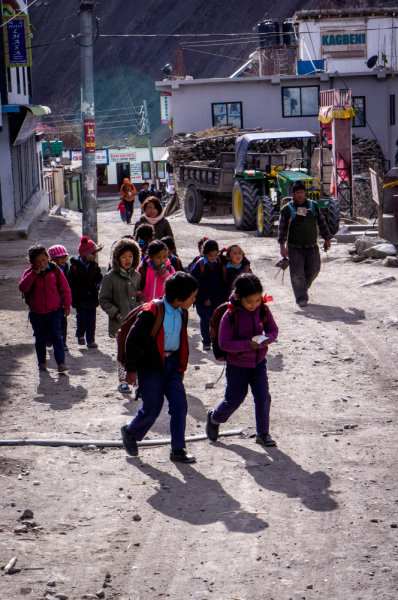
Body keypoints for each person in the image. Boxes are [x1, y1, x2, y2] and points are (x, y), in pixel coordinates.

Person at [120, 272, 199, 463]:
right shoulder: (152, 311)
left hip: (171, 366)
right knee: (153, 407)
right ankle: (131, 432)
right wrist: (131, 370)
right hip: (151, 366)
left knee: (180, 405)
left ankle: (178, 449)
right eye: (192, 298)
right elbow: (132, 340)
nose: (194, 301)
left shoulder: (183, 312)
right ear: (179, 299)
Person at [206, 273, 279, 447]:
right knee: (235, 399)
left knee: (263, 397)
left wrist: (267, 338)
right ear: (238, 297)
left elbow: (273, 330)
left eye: (257, 300)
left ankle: (263, 433)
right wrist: (248, 345)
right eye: (249, 301)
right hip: (237, 365)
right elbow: (224, 343)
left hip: (258, 363)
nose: (254, 305)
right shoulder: (230, 316)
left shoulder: (263, 310)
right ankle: (215, 418)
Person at [99, 238, 146, 393]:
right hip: (120, 322)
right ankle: (122, 381)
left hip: (135, 321)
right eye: (124, 256)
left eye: (131, 256)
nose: (128, 259)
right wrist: (117, 314)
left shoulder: (136, 276)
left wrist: (140, 297)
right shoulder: (110, 277)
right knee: (122, 352)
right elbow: (103, 300)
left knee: (137, 350)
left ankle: (136, 379)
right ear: (117, 257)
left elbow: (136, 292)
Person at [278, 179, 332, 307]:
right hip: (294, 248)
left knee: (314, 270)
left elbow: (322, 223)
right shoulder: (287, 209)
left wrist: (327, 238)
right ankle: (301, 297)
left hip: (312, 247)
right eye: (297, 193)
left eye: (302, 192)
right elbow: (282, 229)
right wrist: (282, 246)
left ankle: (302, 289)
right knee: (297, 274)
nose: (300, 195)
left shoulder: (313, 206)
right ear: (293, 194)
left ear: (305, 193)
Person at [19, 245, 71, 373]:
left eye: (43, 260)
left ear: (48, 258)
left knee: (57, 336)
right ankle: (42, 362)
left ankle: (61, 363)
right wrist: (33, 275)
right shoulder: (29, 274)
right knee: (40, 338)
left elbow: (65, 289)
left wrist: (67, 306)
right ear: (32, 263)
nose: (41, 264)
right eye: (37, 262)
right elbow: (23, 288)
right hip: (37, 313)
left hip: (55, 311)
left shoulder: (55, 271)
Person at [68, 236, 103, 348]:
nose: (95, 255)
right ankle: (80, 335)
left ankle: (90, 340)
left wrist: (99, 285)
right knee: (82, 317)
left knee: (92, 320)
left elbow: (99, 278)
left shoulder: (95, 266)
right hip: (80, 298)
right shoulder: (74, 268)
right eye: (94, 253)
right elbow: (70, 284)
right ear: (87, 255)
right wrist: (70, 298)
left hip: (92, 297)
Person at [191, 239, 224, 351]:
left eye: (215, 255)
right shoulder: (199, 265)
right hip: (202, 299)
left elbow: (235, 256)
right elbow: (196, 283)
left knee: (216, 319)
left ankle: (217, 340)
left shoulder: (219, 262)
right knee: (206, 319)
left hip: (216, 298)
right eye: (210, 255)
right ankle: (206, 341)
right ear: (204, 253)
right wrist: (204, 297)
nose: (213, 258)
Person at [48, 245, 70, 350]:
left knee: (63, 323)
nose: (63, 260)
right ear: (53, 259)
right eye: (60, 258)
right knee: (50, 322)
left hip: (62, 301)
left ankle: (63, 342)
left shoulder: (66, 268)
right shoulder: (50, 271)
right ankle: (49, 339)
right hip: (52, 302)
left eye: (65, 257)